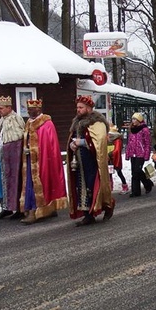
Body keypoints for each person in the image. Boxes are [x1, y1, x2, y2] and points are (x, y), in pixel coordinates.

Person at [66, 96, 115, 226]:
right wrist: (72, 145)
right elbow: (74, 138)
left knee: (93, 186)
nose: (78, 110)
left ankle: (107, 206)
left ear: (88, 108)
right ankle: (88, 214)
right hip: (79, 163)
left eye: (81, 108)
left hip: (92, 162)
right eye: (77, 107)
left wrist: (81, 142)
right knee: (81, 187)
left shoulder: (97, 123)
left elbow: (98, 142)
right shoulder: (76, 123)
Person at [20, 98, 68, 224]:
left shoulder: (46, 124)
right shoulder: (29, 123)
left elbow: (49, 145)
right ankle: (39, 208)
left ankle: (35, 211)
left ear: (39, 109)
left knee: (42, 183)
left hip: (43, 160)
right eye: (29, 109)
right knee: (30, 184)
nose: (30, 112)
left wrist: (37, 152)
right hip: (30, 160)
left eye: (33, 109)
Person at [0, 95, 25, 220]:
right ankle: (6, 207)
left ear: (9, 108)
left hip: (13, 160)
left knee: (15, 182)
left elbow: (19, 139)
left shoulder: (16, 119)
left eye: (1, 108)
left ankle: (19, 208)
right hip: (1, 158)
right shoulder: (2, 120)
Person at [126, 112, 154, 197]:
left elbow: (147, 143)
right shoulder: (132, 129)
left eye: (135, 119)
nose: (133, 121)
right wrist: (128, 153)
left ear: (139, 120)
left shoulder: (144, 130)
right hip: (133, 153)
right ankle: (135, 191)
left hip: (140, 153)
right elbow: (129, 142)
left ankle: (148, 183)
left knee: (138, 170)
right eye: (132, 119)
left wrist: (146, 154)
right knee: (134, 172)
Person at [107, 125, 128, 194]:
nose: (109, 136)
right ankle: (110, 187)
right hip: (109, 159)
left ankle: (125, 186)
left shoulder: (117, 140)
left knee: (119, 172)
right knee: (109, 173)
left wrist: (110, 154)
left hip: (116, 159)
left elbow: (117, 150)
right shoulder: (109, 140)